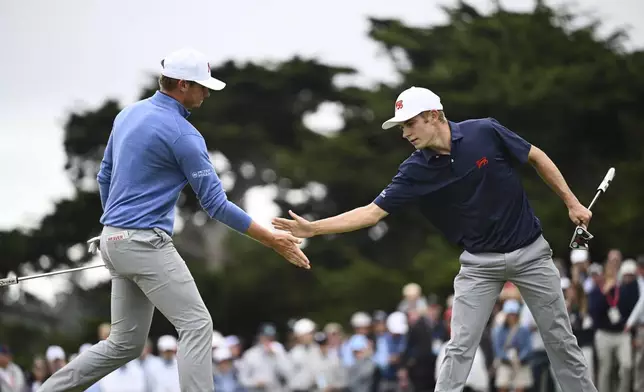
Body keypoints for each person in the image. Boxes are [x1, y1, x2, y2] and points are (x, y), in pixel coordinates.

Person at [272, 86, 597, 392]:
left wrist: (572, 202)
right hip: (479, 265)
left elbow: (536, 156)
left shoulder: (484, 131)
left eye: (410, 123)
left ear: (434, 115)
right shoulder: (415, 170)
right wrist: (315, 229)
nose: (405, 133)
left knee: (560, 340)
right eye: (401, 127)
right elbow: (371, 213)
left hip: (531, 253)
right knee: (458, 348)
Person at [38, 47, 310, 392]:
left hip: (113, 239)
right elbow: (216, 204)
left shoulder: (127, 115)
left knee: (124, 343)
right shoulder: (183, 134)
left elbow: (104, 176)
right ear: (182, 85)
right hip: (143, 242)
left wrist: (113, 224)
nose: (207, 93)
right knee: (197, 325)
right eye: (201, 86)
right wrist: (273, 240)